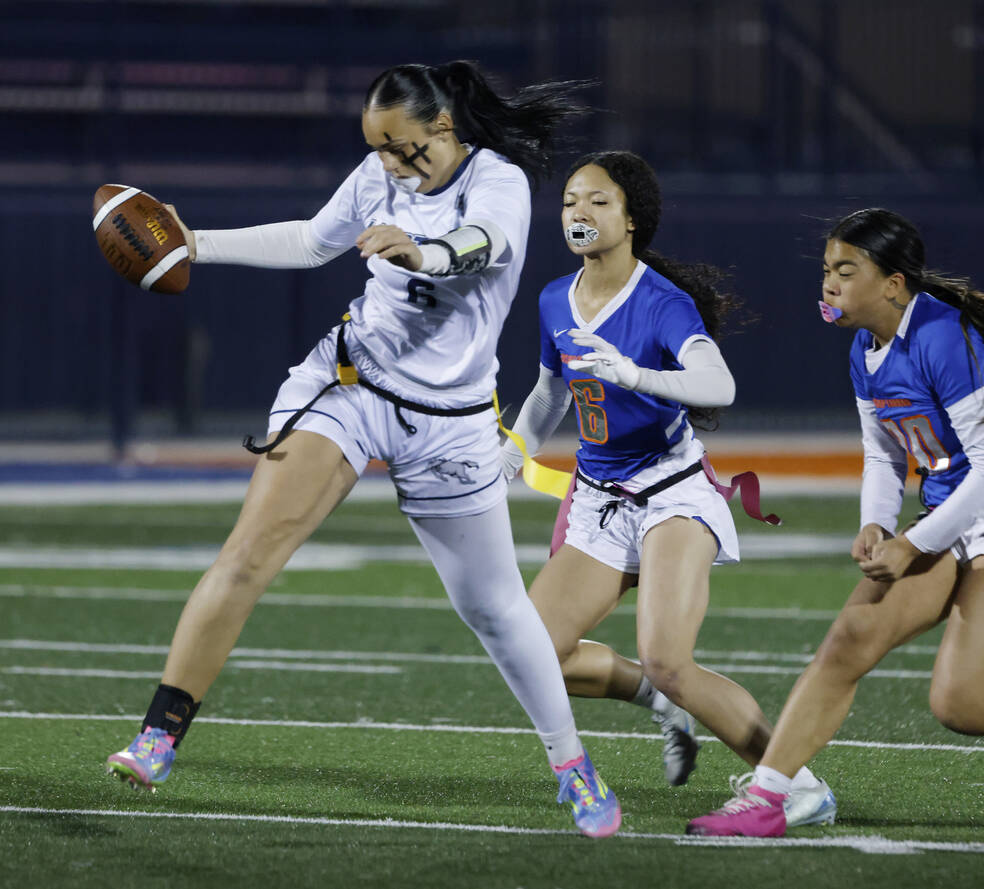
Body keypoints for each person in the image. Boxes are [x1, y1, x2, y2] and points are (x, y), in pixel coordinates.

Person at [104, 60, 622, 839]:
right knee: (248, 553)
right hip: (352, 382)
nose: (385, 162)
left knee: (494, 606)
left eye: (398, 147)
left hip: (449, 419)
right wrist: (192, 243)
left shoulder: (499, 182)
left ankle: (573, 765)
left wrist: (421, 252)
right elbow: (314, 242)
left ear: (441, 128)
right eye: (375, 147)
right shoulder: (380, 172)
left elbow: (481, 245)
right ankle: (158, 736)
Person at [685, 207, 984, 838]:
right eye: (827, 269)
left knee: (959, 701)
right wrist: (877, 524)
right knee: (849, 641)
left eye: (846, 271)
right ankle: (772, 797)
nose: (828, 284)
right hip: (950, 512)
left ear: (894, 283)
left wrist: (911, 542)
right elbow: (882, 453)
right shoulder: (865, 347)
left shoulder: (944, 337)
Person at [498, 150, 836, 828]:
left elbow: (721, 386)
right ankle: (659, 698)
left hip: (671, 493)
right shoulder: (551, 298)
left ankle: (794, 783)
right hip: (599, 498)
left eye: (597, 201)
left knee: (669, 657)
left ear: (632, 218)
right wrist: (513, 449)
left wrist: (635, 374)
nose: (579, 213)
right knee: (532, 656)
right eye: (570, 201)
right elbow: (550, 390)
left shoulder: (662, 302)